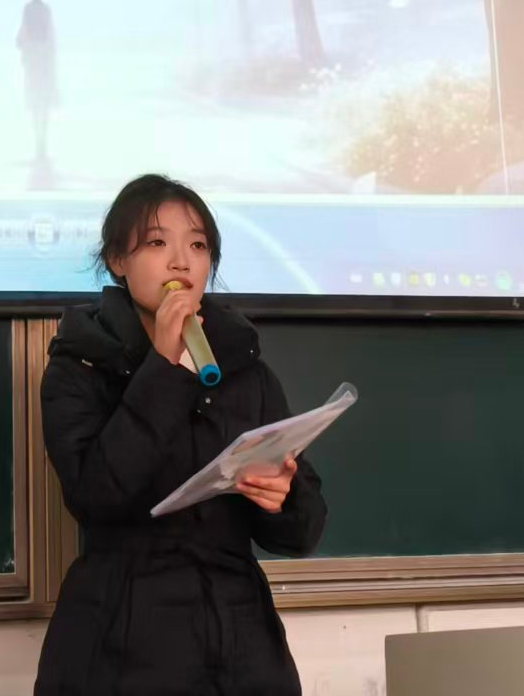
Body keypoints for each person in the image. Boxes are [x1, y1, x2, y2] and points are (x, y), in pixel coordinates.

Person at [34, 174, 327, 696]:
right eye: (156, 243)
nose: (181, 262)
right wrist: (164, 366)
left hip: (241, 643)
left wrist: (281, 498)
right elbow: (96, 496)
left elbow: (302, 532)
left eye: (197, 245)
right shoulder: (79, 367)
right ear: (117, 260)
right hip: (122, 640)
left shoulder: (244, 367)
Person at [15, 0, 58, 161]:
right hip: (43, 58)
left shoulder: (29, 9)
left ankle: (39, 135)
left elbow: (22, 35)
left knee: (35, 96)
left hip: (34, 57)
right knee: (43, 97)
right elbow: (50, 35)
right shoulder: (45, 10)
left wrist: (24, 48)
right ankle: (42, 135)